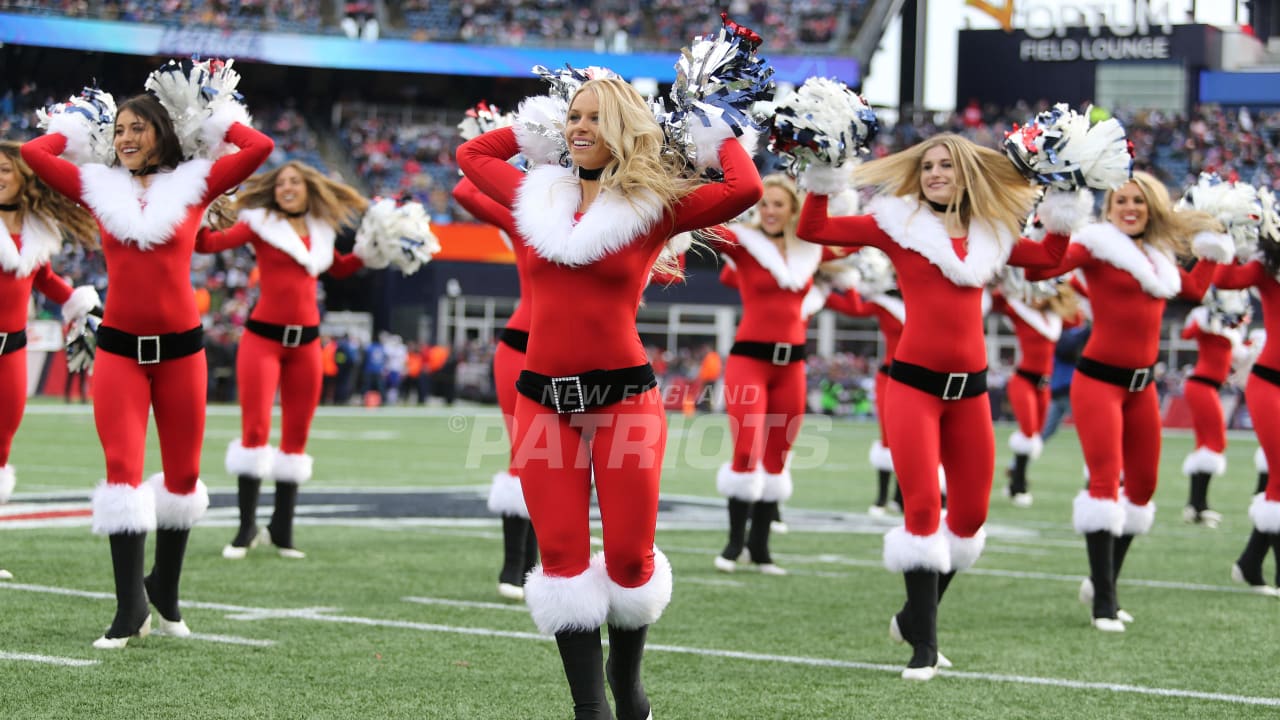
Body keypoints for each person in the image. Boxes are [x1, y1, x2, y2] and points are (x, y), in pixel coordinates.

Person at [458, 76, 761, 719]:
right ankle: (590, 709)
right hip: (542, 400)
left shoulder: (655, 204)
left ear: (625, 126)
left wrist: (715, 132)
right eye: (573, 117)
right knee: (563, 563)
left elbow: (744, 189)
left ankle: (628, 689)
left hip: (624, 398)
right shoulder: (536, 193)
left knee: (628, 559)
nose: (579, 127)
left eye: (596, 117)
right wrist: (530, 125)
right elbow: (471, 159)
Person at [797, 133, 1081, 680]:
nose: (934, 172)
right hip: (913, 388)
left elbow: (1048, 259)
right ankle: (924, 645)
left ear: (967, 173)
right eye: (927, 165)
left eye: (946, 165)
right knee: (923, 508)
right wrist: (822, 177)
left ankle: (913, 615)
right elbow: (816, 231)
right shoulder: (898, 224)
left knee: (971, 518)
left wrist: (1066, 197)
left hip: (970, 393)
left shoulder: (992, 233)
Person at [23, 85, 273, 648]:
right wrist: (77, 125)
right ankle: (128, 606)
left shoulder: (193, 185)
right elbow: (35, 155)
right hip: (117, 351)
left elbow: (259, 146)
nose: (126, 138)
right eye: (118, 130)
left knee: (182, 479)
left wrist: (217, 122)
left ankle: (165, 589)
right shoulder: (98, 185)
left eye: (138, 127)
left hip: (182, 354)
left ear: (162, 132)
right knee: (122, 473)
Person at [1023, 170, 1230, 631]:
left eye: (1139, 200)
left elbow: (1193, 290)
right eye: (1121, 200)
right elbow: (1040, 269)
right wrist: (1051, 224)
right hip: (1098, 382)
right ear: (1108, 207)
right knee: (1103, 485)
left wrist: (1215, 247)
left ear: (1152, 207)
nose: (1130, 208)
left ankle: (1103, 582)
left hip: (1142, 387)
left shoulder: (1156, 254)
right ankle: (1104, 601)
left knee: (1142, 489)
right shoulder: (1096, 244)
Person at [196, 161, 369, 560]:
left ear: (309, 187)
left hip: (307, 345)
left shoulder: (322, 229)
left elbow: (340, 269)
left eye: (294, 182)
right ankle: (245, 529)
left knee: (296, 437)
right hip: (263, 341)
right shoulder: (259, 222)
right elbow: (209, 245)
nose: (287, 187)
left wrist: (374, 249)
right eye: (281, 182)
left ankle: (282, 529)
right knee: (254, 431)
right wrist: (199, 217)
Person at [709, 173, 831, 576]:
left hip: (793, 365)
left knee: (778, 458)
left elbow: (849, 245)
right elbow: (706, 229)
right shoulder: (746, 243)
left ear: (793, 209)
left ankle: (760, 549)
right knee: (746, 451)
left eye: (779, 204)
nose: (770, 211)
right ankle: (732, 543)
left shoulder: (807, 250)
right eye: (764, 204)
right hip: (749, 361)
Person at [0, 140, 99, 521]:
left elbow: (43, 278)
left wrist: (82, 303)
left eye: (6, 169)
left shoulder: (36, 232)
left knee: (3, 445)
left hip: (12, 351)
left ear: (24, 177)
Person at [453, 175, 539, 601]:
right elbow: (465, 192)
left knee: (566, 462)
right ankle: (514, 564)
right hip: (522, 349)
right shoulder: (529, 218)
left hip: (584, 356)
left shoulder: (611, 221)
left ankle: (540, 565)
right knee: (525, 451)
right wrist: (519, 151)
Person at [1212, 199, 1280, 594]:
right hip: (1270, 382)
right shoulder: (1269, 268)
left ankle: (1250, 562)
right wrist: (1226, 237)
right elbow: (1224, 280)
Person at [815, 248, 905, 515]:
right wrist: (829, 283)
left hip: (921, 377)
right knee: (888, 437)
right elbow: (852, 308)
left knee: (913, 439)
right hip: (891, 375)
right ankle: (881, 498)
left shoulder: (929, 299)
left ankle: (903, 497)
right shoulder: (884, 302)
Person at [991, 276, 1083, 507]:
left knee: (1036, 435)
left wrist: (1061, 290)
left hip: (1045, 385)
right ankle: (1018, 485)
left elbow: (1077, 317)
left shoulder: (1054, 318)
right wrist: (1014, 284)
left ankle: (1014, 482)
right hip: (1023, 379)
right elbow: (997, 301)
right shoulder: (1020, 312)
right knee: (1028, 430)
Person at [1178, 288, 1250, 528]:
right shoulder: (1207, 317)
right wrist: (1208, 319)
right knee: (1216, 442)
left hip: (1208, 387)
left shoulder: (1231, 327)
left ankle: (1195, 505)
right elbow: (1187, 333)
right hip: (1200, 385)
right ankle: (1198, 504)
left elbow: (1239, 355)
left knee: (1205, 445)